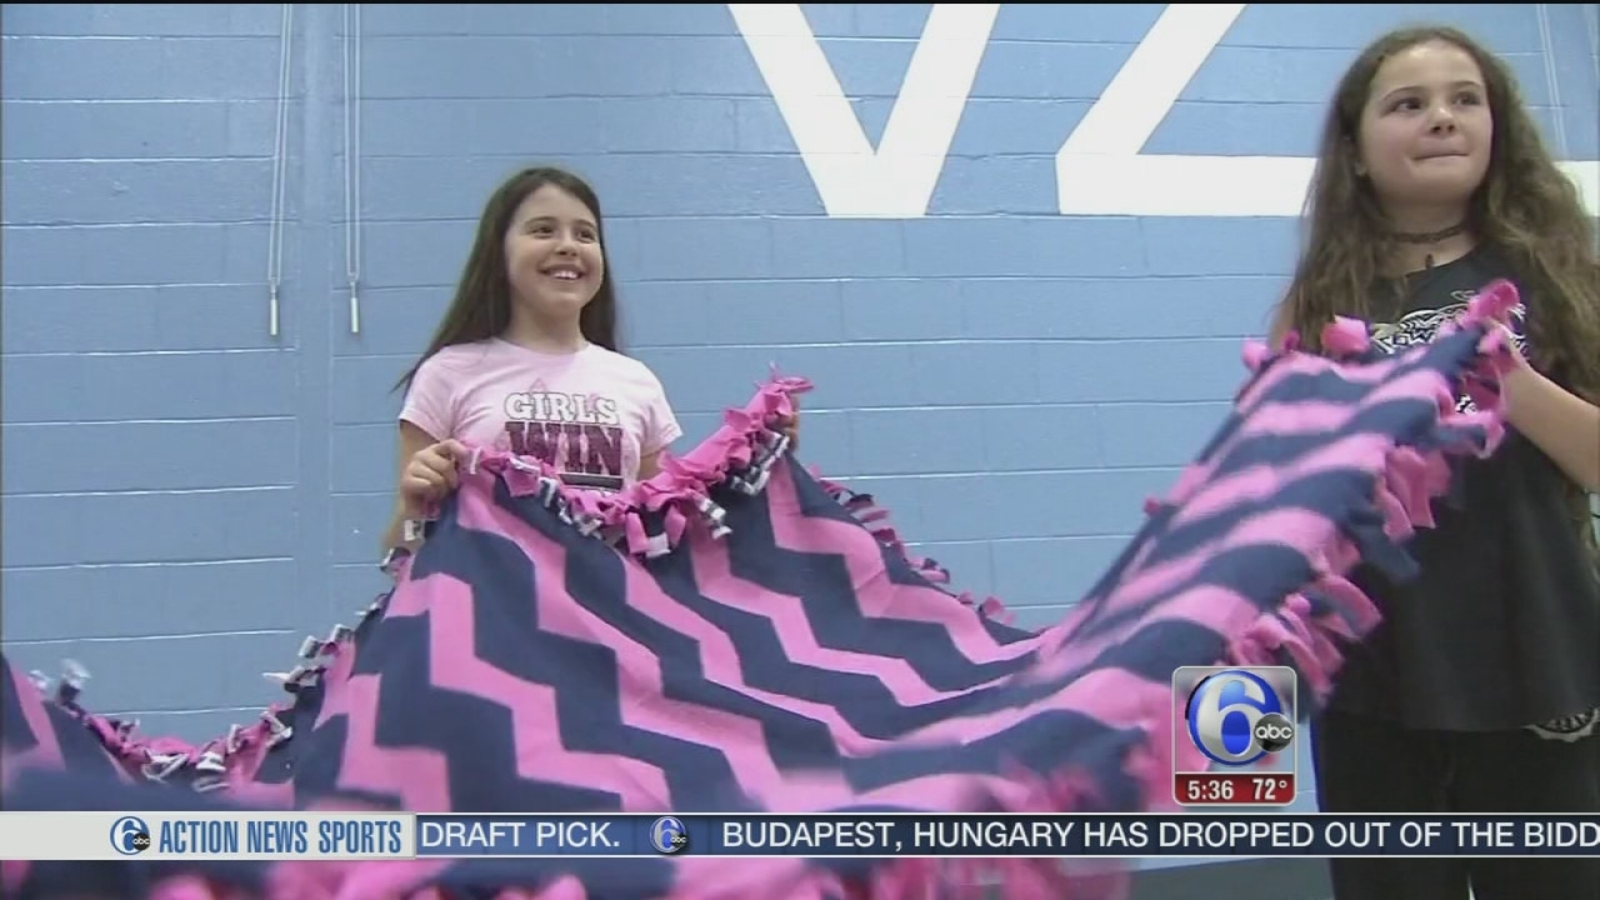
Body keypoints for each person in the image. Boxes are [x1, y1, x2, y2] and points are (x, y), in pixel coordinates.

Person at [1267, 24, 1600, 900]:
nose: (1443, 119)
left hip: (1538, 659)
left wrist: (1511, 384)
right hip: (1370, 671)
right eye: (1408, 104)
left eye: (1464, 100)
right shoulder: (1317, 300)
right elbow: (1271, 503)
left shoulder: (1562, 275)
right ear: (1359, 152)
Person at [378, 165, 798, 559]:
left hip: (613, 623)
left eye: (585, 235)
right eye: (543, 230)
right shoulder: (447, 373)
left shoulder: (635, 382)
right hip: (494, 626)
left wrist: (763, 462)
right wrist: (415, 510)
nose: (567, 246)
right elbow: (401, 552)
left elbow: (667, 532)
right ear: (498, 253)